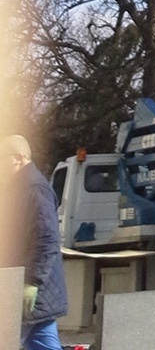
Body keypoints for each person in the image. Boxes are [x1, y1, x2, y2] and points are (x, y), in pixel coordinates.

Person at [0, 134, 67, 350]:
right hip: (29, 291)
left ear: (18, 158)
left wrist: (32, 282)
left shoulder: (34, 188)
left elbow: (46, 239)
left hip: (28, 290)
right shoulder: (19, 188)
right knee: (42, 341)